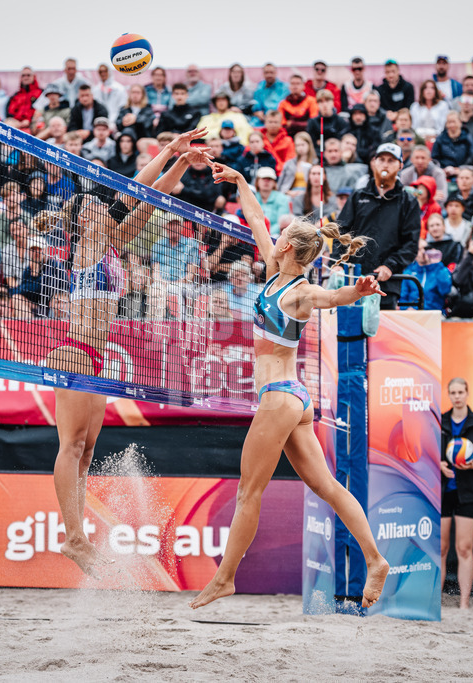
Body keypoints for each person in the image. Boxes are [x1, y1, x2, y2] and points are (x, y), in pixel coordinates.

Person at [189, 161, 389, 612]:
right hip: (293, 398)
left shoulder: (297, 290)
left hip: (281, 397)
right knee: (328, 488)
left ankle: (224, 579)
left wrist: (355, 292)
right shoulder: (273, 273)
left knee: (248, 492)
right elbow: (257, 219)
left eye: (283, 235)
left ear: (291, 249)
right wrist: (240, 182)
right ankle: (375, 559)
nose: (273, 235)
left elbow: (331, 298)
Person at [43, 129, 208, 576]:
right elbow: (133, 188)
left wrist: (181, 163)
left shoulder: (112, 242)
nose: (102, 208)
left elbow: (151, 199)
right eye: (94, 207)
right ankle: (73, 537)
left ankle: (76, 536)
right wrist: (170, 149)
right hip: (74, 350)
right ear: (83, 220)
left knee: (88, 449)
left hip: (95, 358)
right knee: (71, 444)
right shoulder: (88, 245)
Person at [331, 143, 420, 306]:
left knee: (382, 330)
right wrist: (337, 263)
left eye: (391, 160)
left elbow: (411, 244)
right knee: (349, 329)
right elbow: (341, 232)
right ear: (374, 163)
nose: (385, 164)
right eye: (382, 159)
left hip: (386, 283)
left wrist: (390, 266)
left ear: (400, 165)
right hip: (353, 281)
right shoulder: (358, 197)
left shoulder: (409, 201)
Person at [440, 378, 473, 609]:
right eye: (453, 392)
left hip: (469, 493)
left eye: (461, 391)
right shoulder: (439, 421)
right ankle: (436, 600)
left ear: (467, 393)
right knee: (440, 548)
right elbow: (427, 451)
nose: (457, 396)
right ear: (449, 395)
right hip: (443, 491)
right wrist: (439, 464)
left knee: (464, 547)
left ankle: (464, 603)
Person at [401, 237, 451, 311]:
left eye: (426, 248)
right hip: (414, 313)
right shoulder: (409, 272)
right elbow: (402, 298)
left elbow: (445, 290)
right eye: (419, 249)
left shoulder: (440, 269)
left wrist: (437, 264)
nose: (423, 252)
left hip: (434, 313)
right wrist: (407, 308)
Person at [431, 112, 473, 182]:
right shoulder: (440, 139)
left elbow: (472, 157)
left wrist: (459, 169)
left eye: (454, 122)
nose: (452, 125)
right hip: (444, 174)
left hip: (463, 173)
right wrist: (442, 170)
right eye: (449, 122)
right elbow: (435, 159)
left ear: (460, 122)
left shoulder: (467, 138)